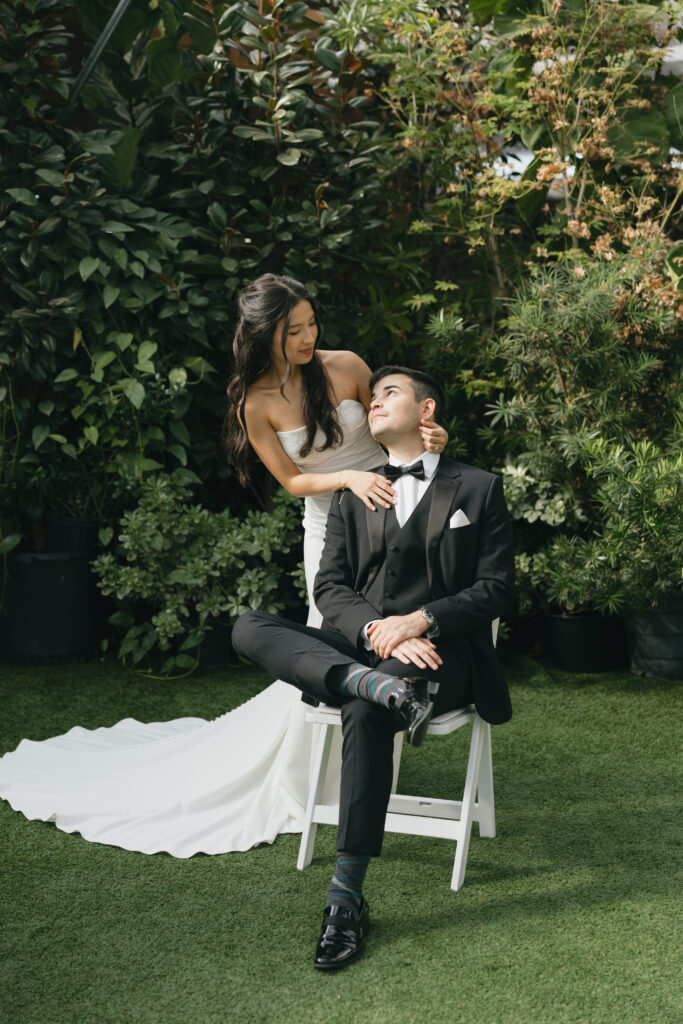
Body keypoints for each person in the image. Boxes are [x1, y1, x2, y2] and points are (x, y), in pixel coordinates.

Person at [0, 277, 447, 857]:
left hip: (392, 510)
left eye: (312, 323)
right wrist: (348, 478)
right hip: (330, 523)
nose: (309, 337)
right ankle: (321, 781)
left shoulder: (347, 366)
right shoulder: (254, 402)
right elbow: (292, 481)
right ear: (263, 335)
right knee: (332, 640)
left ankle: (367, 766)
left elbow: (395, 429)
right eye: (294, 330)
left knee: (386, 633)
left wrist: (430, 439)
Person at [232, 365, 515, 970]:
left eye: (391, 393)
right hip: (363, 649)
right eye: (375, 394)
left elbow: (496, 589)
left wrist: (420, 621)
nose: (375, 402)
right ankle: (370, 683)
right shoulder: (351, 493)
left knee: (364, 710)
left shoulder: (477, 487)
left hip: (438, 653)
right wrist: (370, 631)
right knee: (248, 626)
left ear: (427, 410)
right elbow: (329, 587)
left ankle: (345, 899)